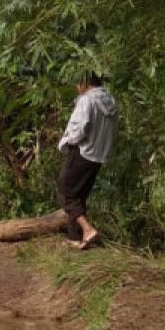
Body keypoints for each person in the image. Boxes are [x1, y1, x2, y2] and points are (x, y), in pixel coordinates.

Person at [57, 71, 118, 249]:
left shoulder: (87, 100)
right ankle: (75, 238)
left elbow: (79, 128)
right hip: (98, 155)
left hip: (83, 152)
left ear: (85, 83)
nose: (77, 88)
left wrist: (68, 142)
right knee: (79, 195)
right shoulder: (110, 100)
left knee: (65, 190)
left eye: (78, 84)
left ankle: (88, 229)